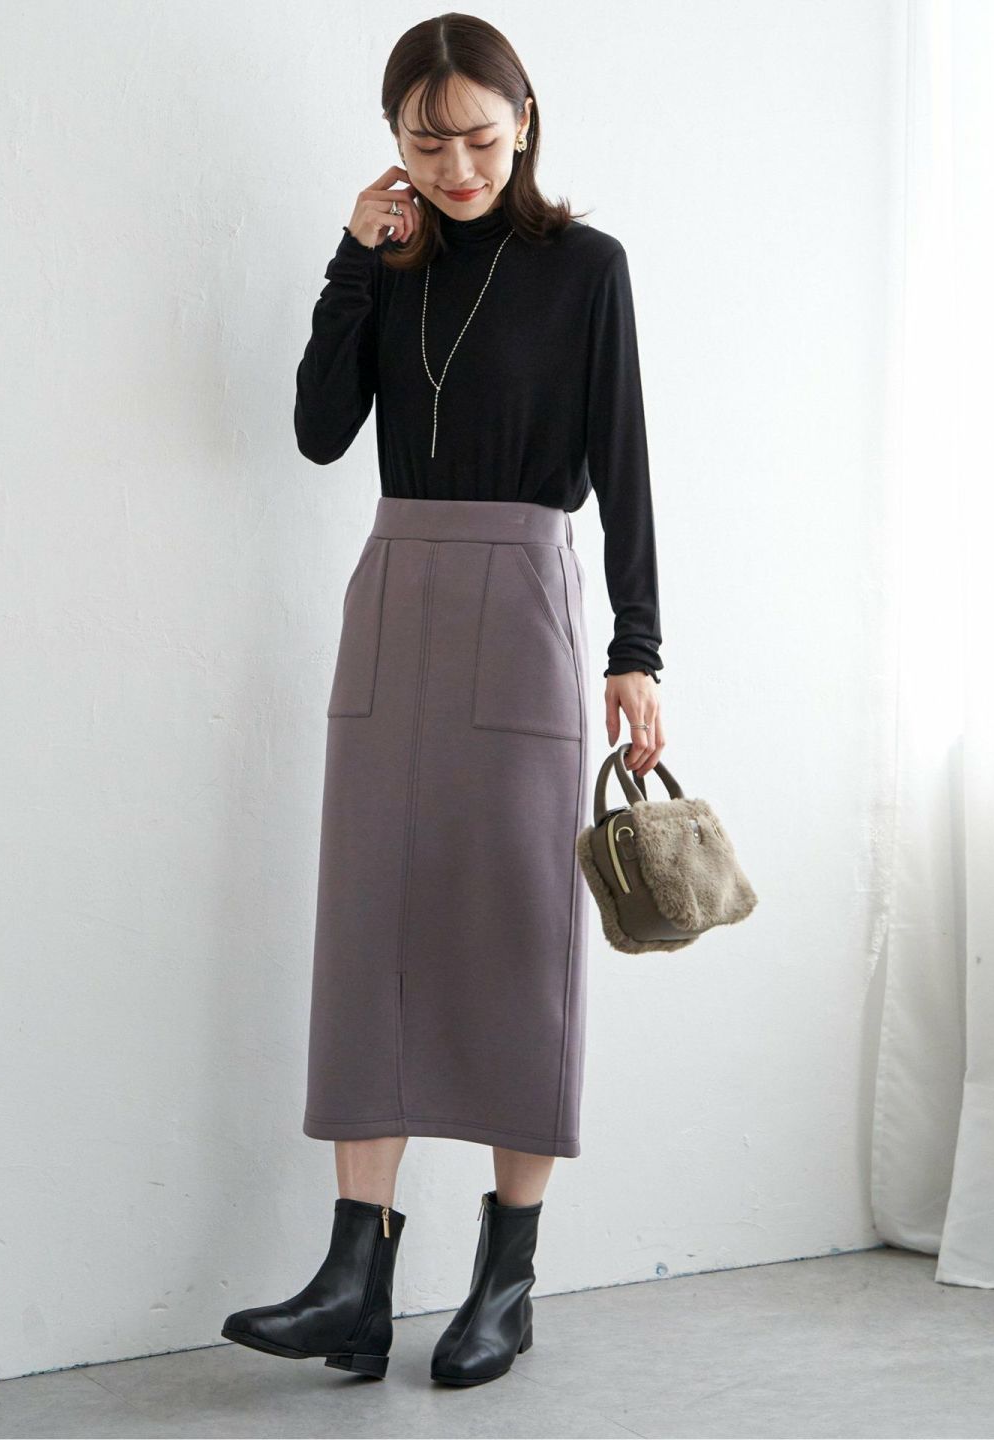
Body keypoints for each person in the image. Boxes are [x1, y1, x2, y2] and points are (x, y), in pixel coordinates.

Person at [222, 13, 665, 1388]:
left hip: (526, 597)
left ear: (524, 120)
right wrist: (353, 260)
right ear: (394, 146)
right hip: (394, 595)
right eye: (428, 144)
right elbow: (319, 433)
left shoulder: (587, 268)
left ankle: (506, 1281)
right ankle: (354, 1283)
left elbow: (625, 464)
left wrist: (638, 649)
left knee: (520, 935)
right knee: (371, 927)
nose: (458, 166)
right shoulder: (391, 264)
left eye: (479, 136)